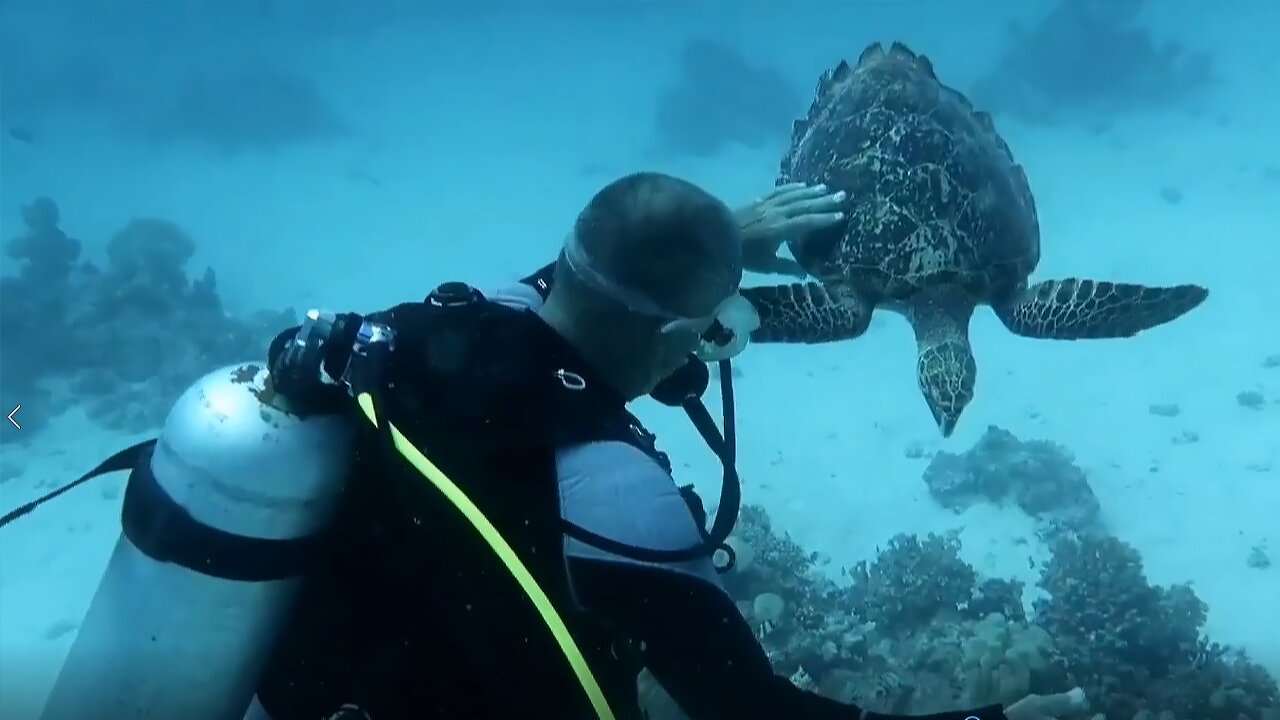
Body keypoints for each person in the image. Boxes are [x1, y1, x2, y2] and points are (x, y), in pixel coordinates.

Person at [253, 172, 1085, 720]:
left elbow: (596, 264)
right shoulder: (616, 492)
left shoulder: (441, 325)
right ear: (692, 333)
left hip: (292, 677)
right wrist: (994, 717)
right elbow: (749, 713)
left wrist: (726, 232)